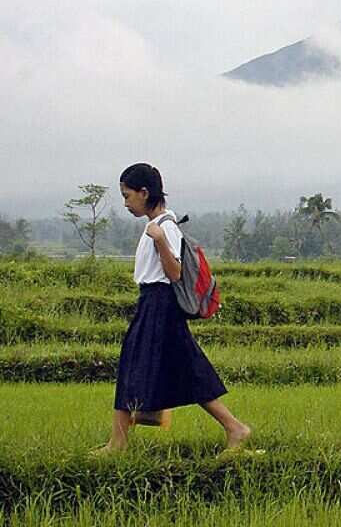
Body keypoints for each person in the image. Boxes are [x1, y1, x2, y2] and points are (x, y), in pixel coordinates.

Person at [92, 163, 251, 454]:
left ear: (144, 192)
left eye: (127, 196)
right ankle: (145, 422)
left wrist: (162, 241)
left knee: (147, 367)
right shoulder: (156, 226)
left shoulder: (165, 228)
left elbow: (174, 272)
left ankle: (120, 442)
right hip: (151, 302)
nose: (126, 203)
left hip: (160, 304)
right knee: (177, 368)